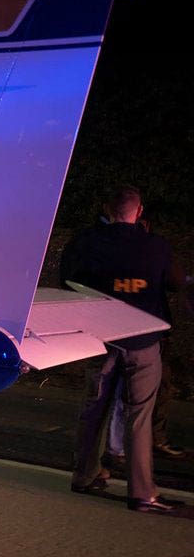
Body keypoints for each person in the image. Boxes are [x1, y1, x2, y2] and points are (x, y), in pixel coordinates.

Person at [62, 186, 184, 513]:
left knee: (93, 409)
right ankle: (142, 493)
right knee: (139, 415)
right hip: (143, 339)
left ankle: (84, 475)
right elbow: (173, 282)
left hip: (99, 337)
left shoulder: (85, 243)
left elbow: (67, 281)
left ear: (106, 208)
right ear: (139, 211)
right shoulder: (156, 247)